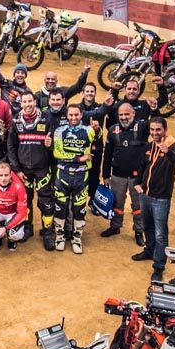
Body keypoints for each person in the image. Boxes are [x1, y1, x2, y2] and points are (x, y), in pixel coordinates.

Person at [132, 116, 175, 281]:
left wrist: (168, 152)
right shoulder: (149, 146)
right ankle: (148, 251)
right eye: (152, 130)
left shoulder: (172, 147)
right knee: (148, 227)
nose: (155, 133)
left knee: (161, 234)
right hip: (145, 195)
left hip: (161, 198)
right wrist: (137, 182)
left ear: (165, 130)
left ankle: (159, 266)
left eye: (158, 130)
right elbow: (142, 166)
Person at [7, 93, 55, 248]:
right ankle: (28, 228)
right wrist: (16, 169)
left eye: (30, 101)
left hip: (42, 169)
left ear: (35, 102)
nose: (27, 104)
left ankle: (47, 233)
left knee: (46, 202)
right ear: (21, 104)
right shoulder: (15, 121)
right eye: (24, 101)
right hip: (24, 170)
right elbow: (11, 147)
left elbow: (54, 144)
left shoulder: (46, 118)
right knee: (25, 201)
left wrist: (51, 144)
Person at [49, 105, 99, 254]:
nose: (73, 118)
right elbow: (58, 153)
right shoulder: (59, 131)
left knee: (79, 209)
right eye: (71, 115)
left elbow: (97, 135)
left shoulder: (88, 130)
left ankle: (77, 238)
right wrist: (79, 158)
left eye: (76, 115)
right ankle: (60, 237)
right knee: (60, 208)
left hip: (81, 176)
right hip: (62, 175)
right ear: (67, 115)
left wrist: (97, 129)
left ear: (81, 114)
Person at [100, 102, 149, 243]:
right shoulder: (112, 130)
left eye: (127, 114)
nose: (124, 117)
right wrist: (105, 175)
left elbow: (157, 123)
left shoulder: (142, 127)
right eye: (121, 114)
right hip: (118, 175)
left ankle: (139, 231)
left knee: (138, 206)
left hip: (137, 178)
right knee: (117, 203)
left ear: (133, 113)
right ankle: (115, 226)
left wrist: (154, 108)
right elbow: (107, 154)